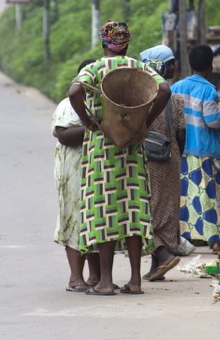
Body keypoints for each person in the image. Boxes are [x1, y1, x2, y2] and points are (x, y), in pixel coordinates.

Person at [69, 21, 171, 296]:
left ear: (104, 42)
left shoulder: (95, 68)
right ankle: (136, 280)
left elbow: (75, 92)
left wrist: (88, 121)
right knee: (133, 209)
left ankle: (105, 282)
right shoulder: (138, 67)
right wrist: (146, 122)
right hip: (133, 148)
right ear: (127, 42)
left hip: (103, 148)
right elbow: (164, 91)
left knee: (104, 210)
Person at [171, 44, 220, 253]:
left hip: (183, 150)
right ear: (210, 66)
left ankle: (185, 237)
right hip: (205, 151)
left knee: (187, 196)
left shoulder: (176, 87)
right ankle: (214, 240)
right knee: (209, 195)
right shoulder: (208, 90)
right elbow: (212, 120)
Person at [52, 59, 100, 292]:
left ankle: (96, 276)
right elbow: (63, 135)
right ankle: (75, 276)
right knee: (75, 220)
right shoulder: (67, 105)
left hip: (97, 170)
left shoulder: (102, 103)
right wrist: (94, 127)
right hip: (73, 171)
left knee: (95, 220)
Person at [139, 45, 186, 281]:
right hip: (171, 157)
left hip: (147, 159)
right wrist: (177, 155)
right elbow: (181, 135)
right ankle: (156, 267)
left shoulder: (140, 96)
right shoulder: (175, 99)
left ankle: (163, 254)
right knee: (166, 210)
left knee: (147, 209)